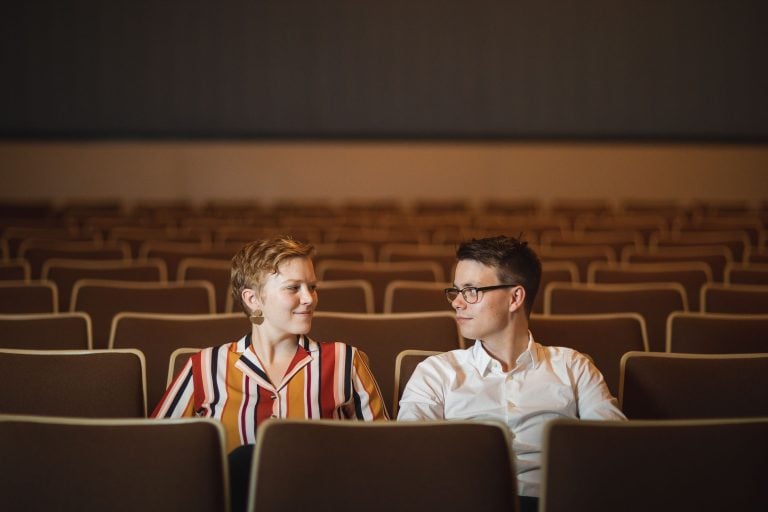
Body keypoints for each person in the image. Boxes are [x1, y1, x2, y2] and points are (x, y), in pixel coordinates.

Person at [152, 236, 388, 511]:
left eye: (312, 287)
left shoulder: (345, 360)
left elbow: (383, 456)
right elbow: (158, 456)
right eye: (293, 288)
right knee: (244, 459)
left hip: (322, 502)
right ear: (253, 299)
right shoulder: (204, 366)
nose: (309, 298)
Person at [397, 235, 625, 512]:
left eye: (471, 291)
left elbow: (614, 448)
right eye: (455, 291)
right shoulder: (435, 372)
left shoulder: (573, 366)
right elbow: (408, 458)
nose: (457, 302)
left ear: (515, 297)